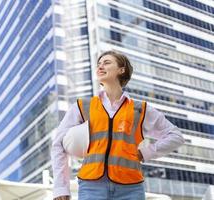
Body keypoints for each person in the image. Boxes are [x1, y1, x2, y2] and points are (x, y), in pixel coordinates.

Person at [51, 50, 185, 200]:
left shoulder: (140, 109)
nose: (100, 67)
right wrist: (61, 187)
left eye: (107, 63)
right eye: (99, 64)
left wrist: (146, 153)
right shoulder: (83, 106)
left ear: (122, 70)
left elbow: (176, 136)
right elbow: (58, 144)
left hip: (131, 188)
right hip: (92, 187)